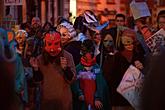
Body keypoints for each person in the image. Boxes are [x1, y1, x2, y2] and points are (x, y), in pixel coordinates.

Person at [30, 31, 76, 110]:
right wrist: (36, 69)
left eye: (55, 44)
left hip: (63, 102)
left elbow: (72, 80)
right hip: (47, 102)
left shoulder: (67, 56)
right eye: (49, 44)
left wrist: (66, 69)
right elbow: (38, 82)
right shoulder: (40, 59)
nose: (52, 50)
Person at [74, 39, 110, 110]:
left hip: (95, 103)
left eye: (90, 52)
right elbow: (75, 83)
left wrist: (97, 98)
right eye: (86, 52)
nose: (88, 55)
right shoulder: (78, 68)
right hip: (83, 103)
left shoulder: (97, 68)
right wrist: (79, 93)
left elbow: (100, 85)